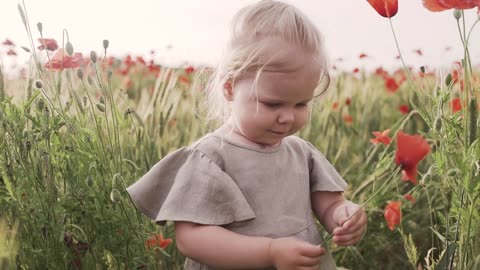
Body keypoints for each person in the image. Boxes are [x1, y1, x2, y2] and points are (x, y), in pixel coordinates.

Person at [126, 1, 367, 269]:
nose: (288, 117)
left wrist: (343, 215)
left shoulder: (302, 153)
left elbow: (330, 203)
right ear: (230, 88)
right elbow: (191, 239)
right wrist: (269, 252)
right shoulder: (211, 158)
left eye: (301, 104)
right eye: (272, 104)